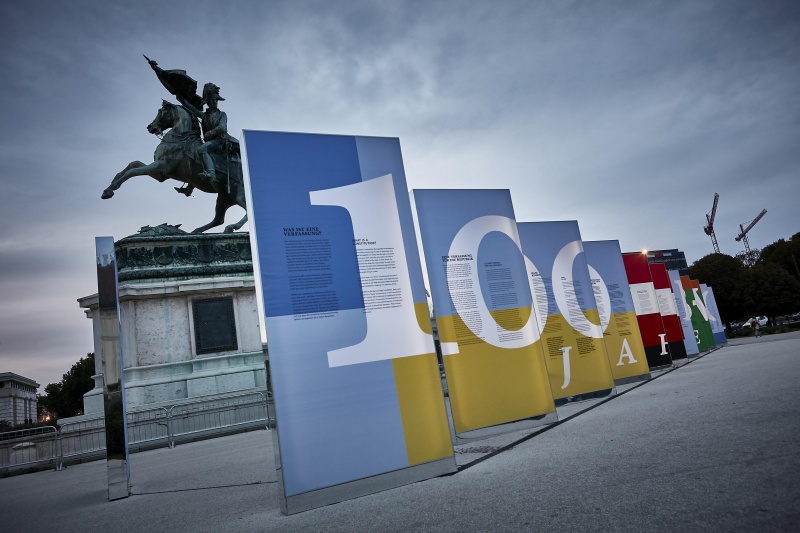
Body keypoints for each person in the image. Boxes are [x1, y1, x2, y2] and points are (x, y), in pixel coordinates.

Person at [177, 83, 230, 193]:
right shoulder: (204, 115)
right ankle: (189, 188)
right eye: (211, 100)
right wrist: (181, 98)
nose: (213, 102)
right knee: (194, 155)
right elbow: (191, 108)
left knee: (202, 149)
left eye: (215, 100)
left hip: (220, 142)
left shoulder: (222, 114)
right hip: (210, 142)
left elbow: (222, 128)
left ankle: (211, 172)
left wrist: (210, 133)